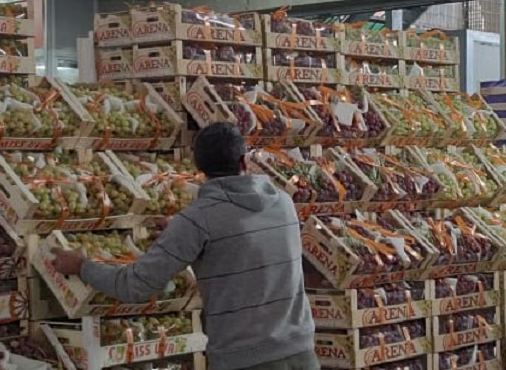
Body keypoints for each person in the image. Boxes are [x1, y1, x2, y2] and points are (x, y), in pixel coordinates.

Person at [51, 122, 318, 370]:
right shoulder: (283, 203)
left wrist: (81, 267)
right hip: (302, 353)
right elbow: (241, 238)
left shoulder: (197, 220)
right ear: (244, 161)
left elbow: (135, 286)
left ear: (198, 166)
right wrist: (183, 232)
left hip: (245, 360)